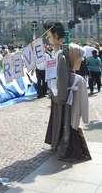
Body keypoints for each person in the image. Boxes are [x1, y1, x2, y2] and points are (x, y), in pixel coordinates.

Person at [57, 43, 91, 161]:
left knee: (69, 129)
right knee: (71, 128)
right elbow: (84, 101)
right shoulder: (78, 79)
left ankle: (70, 151)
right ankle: (71, 152)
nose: (81, 62)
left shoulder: (68, 77)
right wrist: (85, 118)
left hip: (68, 109)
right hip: (72, 110)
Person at [43, 22, 71, 157]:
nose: (48, 39)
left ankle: (61, 145)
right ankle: (55, 143)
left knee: (61, 120)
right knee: (55, 118)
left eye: (50, 36)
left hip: (60, 94)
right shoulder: (53, 54)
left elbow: (63, 79)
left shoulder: (61, 56)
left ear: (58, 38)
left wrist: (61, 95)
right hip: (53, 92)